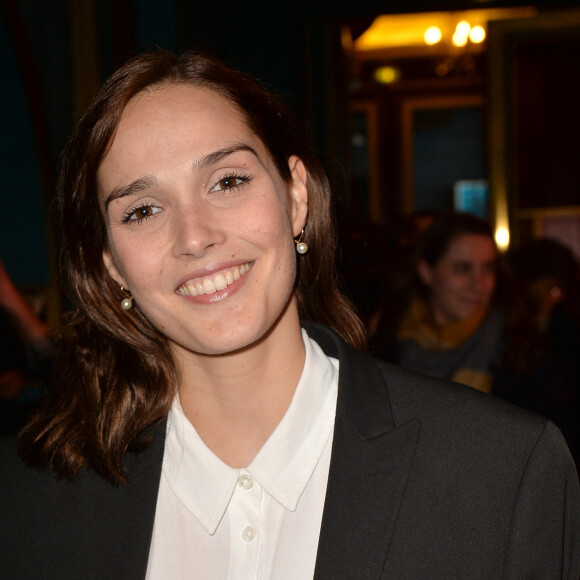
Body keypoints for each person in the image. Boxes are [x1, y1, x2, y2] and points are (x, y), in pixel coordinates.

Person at [0, 50, 578, 579]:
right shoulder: (30, 499)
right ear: (112, 267)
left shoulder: (502, 475)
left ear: (296, 196)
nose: (195, 236)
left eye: (227, 181)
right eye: (143, 209)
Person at [387, 213, 503, 394]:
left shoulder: (519, 352)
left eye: (488, 269)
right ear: (426, 272)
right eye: (462, 269)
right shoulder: (388, 342)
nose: (478, 284)